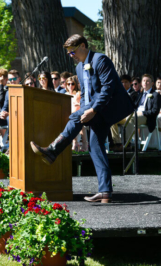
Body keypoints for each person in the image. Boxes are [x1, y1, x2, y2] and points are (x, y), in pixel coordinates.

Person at [30, 34, 134, 203]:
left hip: (110, 107)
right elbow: (85, 94)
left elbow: (108, 89)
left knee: (75, 117)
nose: (71, 56)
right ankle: (105, 192)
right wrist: (86, 109)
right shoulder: (79, 68)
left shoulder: (101, 60)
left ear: (83, 46)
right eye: (69, 53)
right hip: (95, 109)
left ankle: (53, 150)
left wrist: (92, 110)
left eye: (73, 51)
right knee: (95, 147)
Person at [110, 74, 141, 151]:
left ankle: (128, 143)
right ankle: (117, 143)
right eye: (122, 82)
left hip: (130, 115)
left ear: (130, 83)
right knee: (112, 120)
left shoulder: (134, 94)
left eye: (126, 82)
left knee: (129, 120)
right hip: (120, 116)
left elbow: (133, 107)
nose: (123, 84)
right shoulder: (117, 93)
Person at [65, 76, 88, 151]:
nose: (70, 86)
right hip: (68, 114)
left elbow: (81, 106)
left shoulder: (78, 94)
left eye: (72, 84)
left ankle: (82, 143)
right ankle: (75, 142)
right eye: (68, 84)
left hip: (77, 114)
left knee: (78, 121)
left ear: (75, 85)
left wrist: (77, 105)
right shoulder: (65, 94)